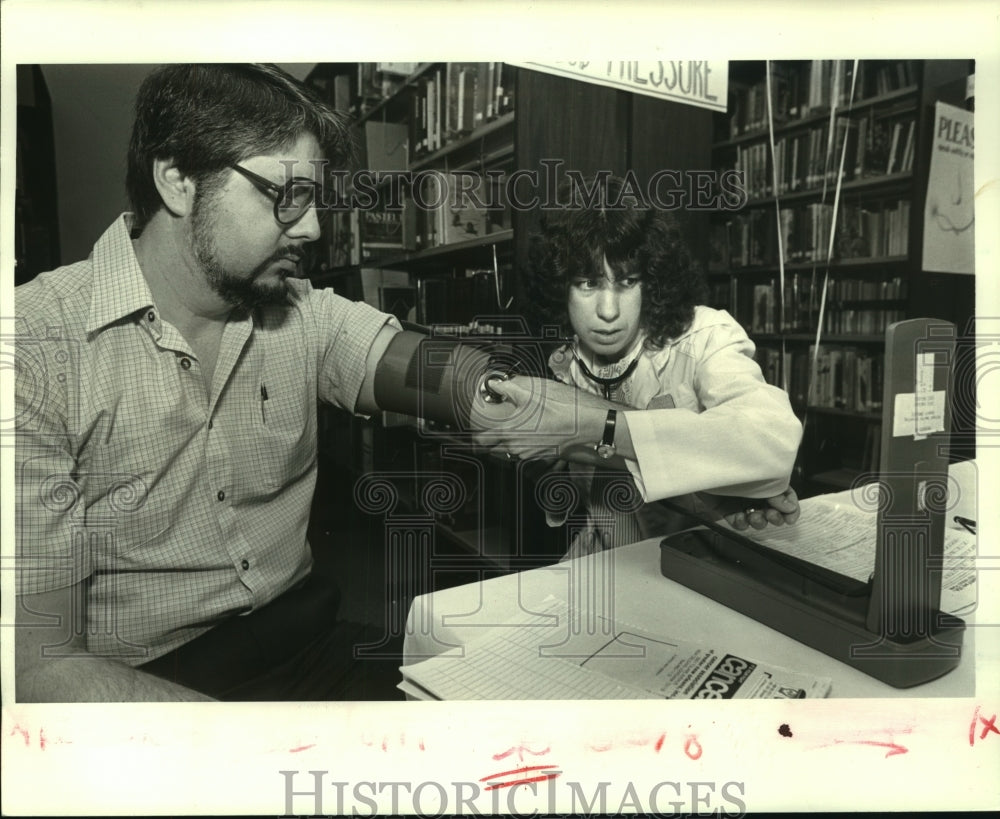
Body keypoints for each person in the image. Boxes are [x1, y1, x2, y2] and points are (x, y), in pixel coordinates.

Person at [13, 64, 406, 702]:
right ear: (177, 180)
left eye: (313, 200)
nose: (310, 228)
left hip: (305, 638)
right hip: (141, 691)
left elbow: (427, 370)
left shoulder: (298, 308)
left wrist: (591, 417)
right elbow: (38, 667)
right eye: (287, 194)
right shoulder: (30, 348)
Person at [474, 175, 803, 558]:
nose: (608, 312)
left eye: (627, 281)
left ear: (654, 281)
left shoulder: (704, 336)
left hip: (694, 559)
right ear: (559, 287)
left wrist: (599, 426)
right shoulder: (567, 358)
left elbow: (771, 440)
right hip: (603, 553)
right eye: (587, 283)